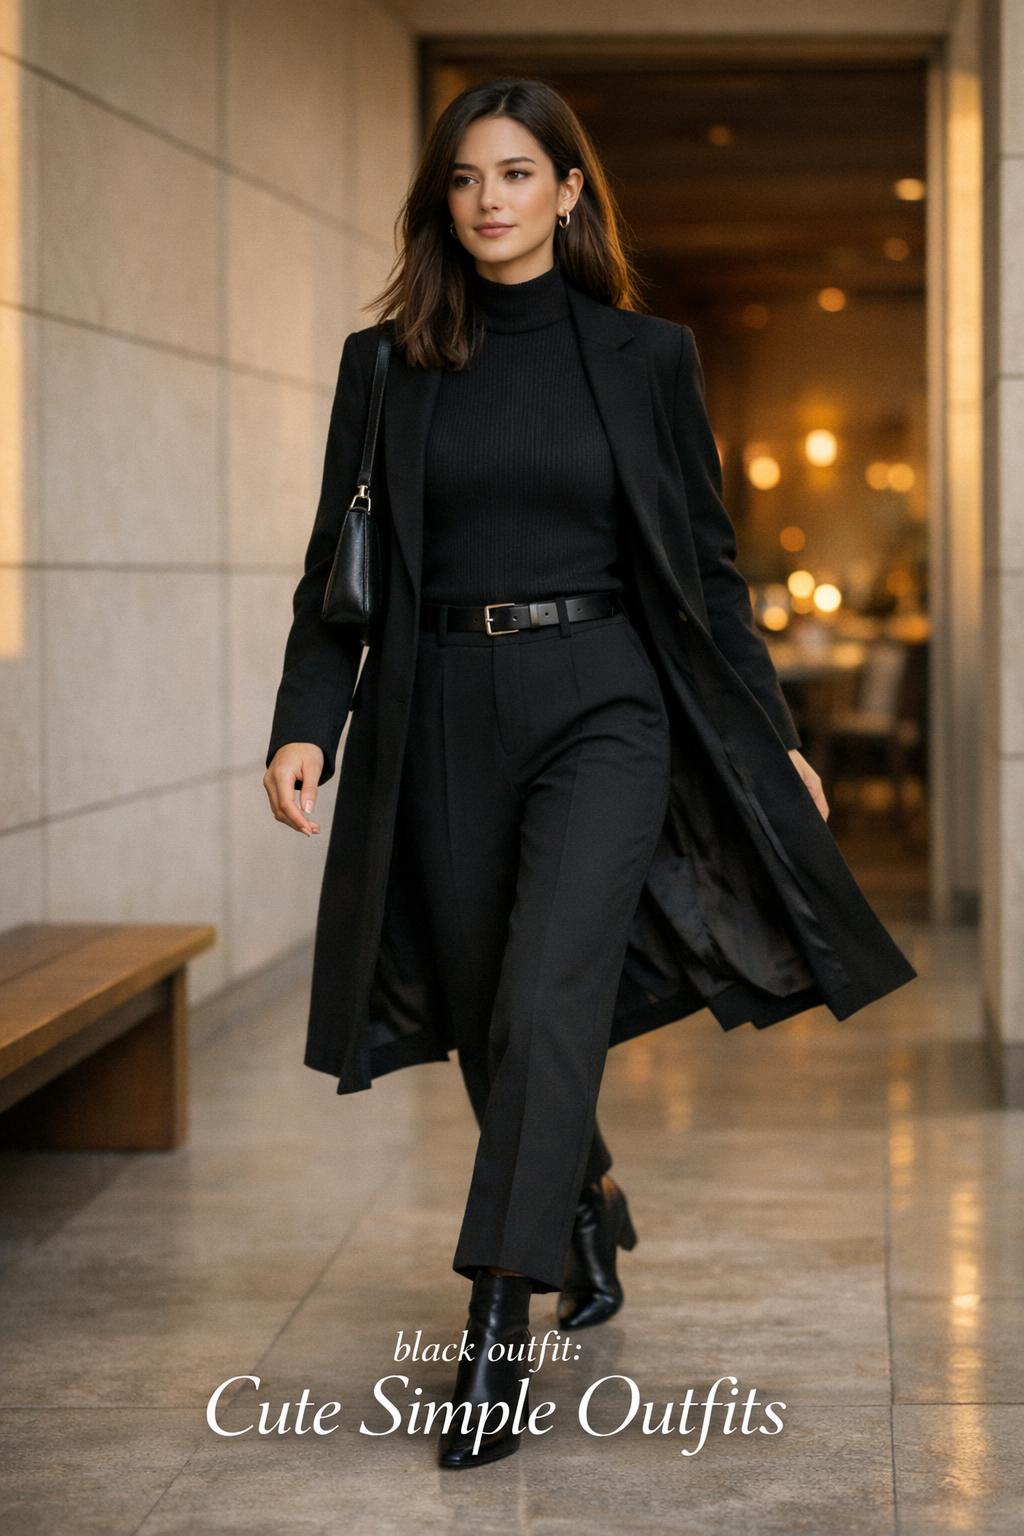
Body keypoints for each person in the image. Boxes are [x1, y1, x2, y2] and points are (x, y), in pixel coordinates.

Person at [263, 77, 914, 1471]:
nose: (488, 199)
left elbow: (709, 569)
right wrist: (307, 719)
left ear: (569, 190)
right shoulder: (388, 368)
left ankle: (496, 1325)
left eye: (516, 173)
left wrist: (769, 736)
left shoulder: (645, 357)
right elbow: (340, 574)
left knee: (552, 976)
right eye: (465, 179)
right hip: (438, 705)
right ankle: (583, 1198)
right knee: (488, 1004)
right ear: (444, 202)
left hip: (607, 703)